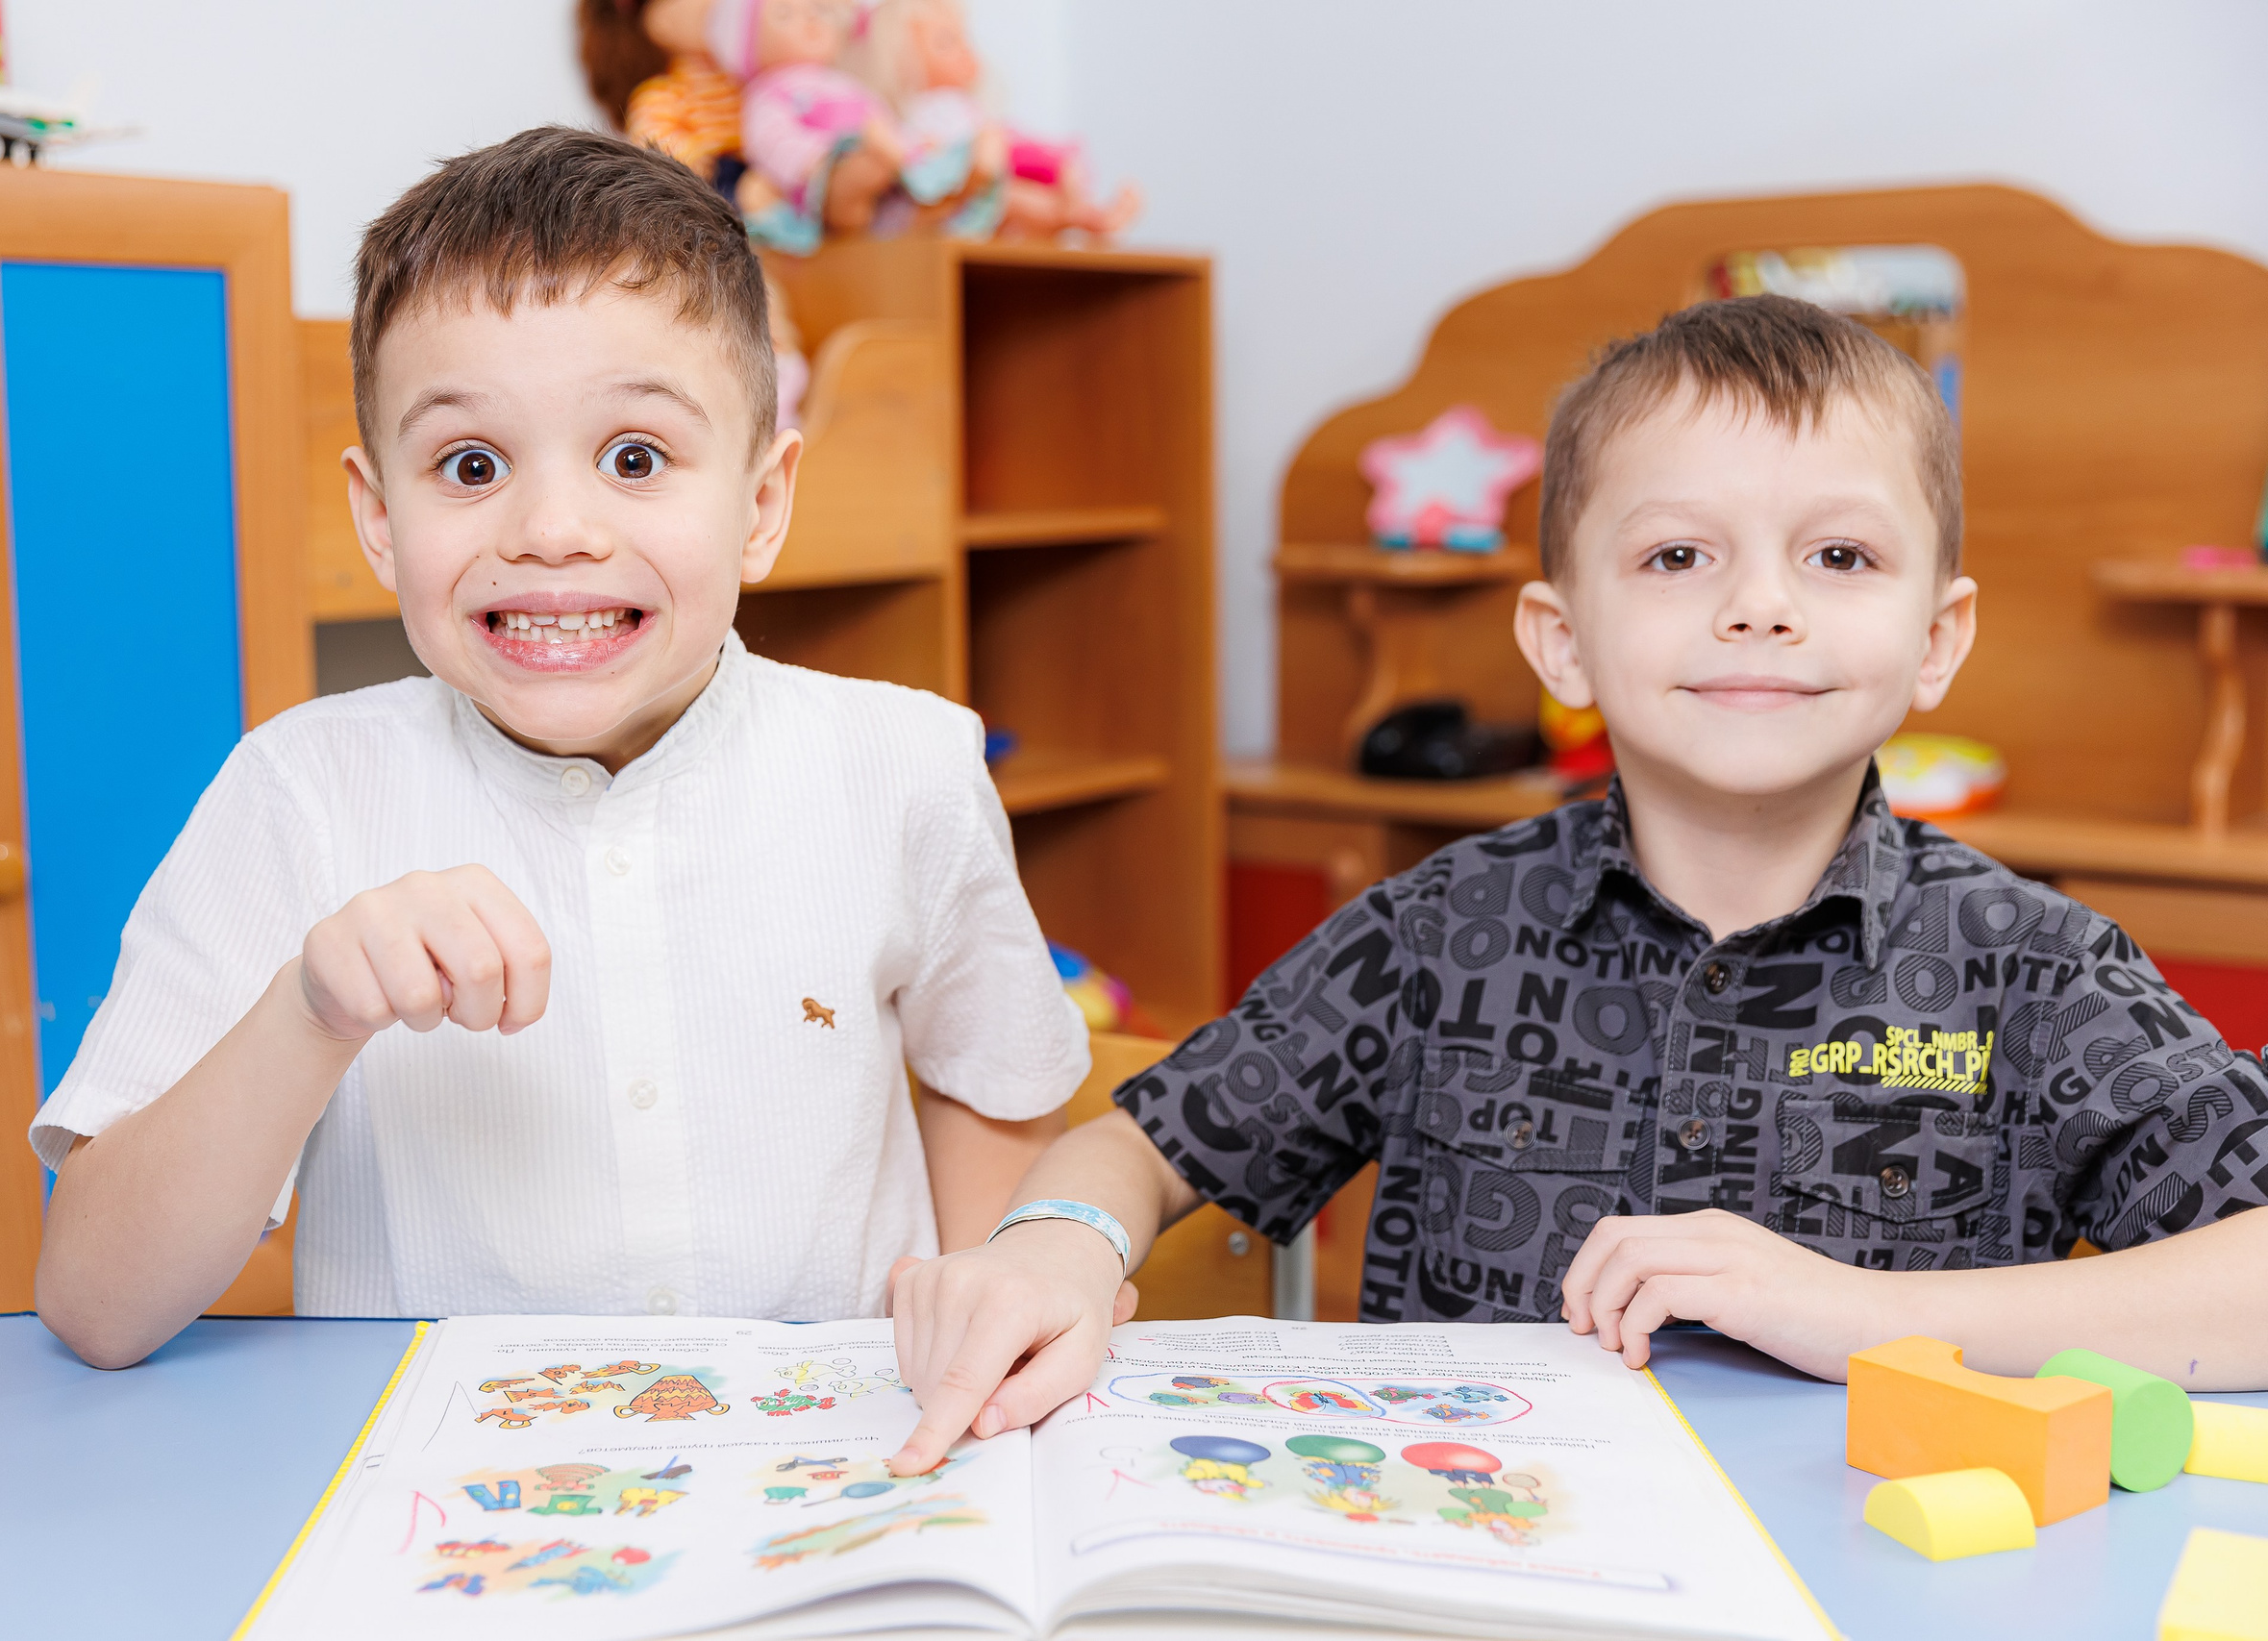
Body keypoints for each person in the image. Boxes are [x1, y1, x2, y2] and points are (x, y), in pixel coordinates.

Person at [886, 293, 2268, 1476]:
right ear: (1560, 642)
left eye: (1838, 556)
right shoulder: (1437, 933)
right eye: (1679, 556)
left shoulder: (2038, 969)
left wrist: (1856, 1315)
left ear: (1936, 639)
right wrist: (1059, 1245)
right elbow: (1146, 1142)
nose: (1761, 604)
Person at [32, 127, 1087, 1370]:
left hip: (830, 1489)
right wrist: (305, 1015)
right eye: (470, 464)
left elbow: (995, 1085)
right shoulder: (299, 792)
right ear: (381, 520)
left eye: (635, 457)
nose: (551, 529)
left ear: (759, 505)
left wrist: (983, 1312)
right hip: (445, 1525)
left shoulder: (904, 763)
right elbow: (96, 1306)